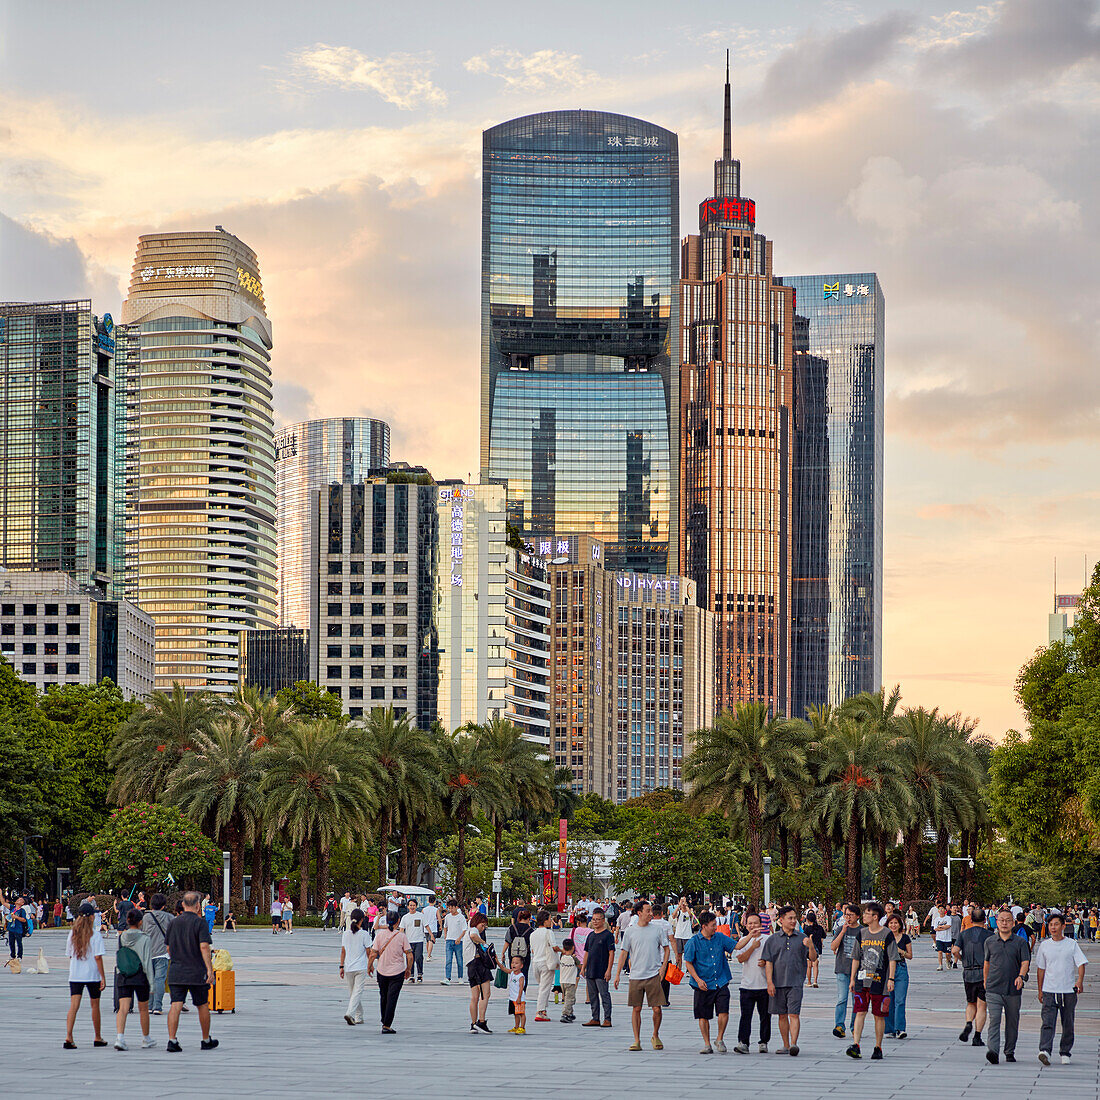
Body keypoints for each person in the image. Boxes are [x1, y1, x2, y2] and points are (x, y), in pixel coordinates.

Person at [165, 890, 219, 1052]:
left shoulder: (173, 923)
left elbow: (168, 948)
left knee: (176, 1004)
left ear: (182, 904)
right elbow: (204, 946)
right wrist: (209, 969)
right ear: (197, 906)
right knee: (202, 1004)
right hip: (196, 970)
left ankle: (172, 1040)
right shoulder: (200, 923)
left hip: (176, 970)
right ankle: (205, 1039)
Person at [614, 899, 670, 1051]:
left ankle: (655, 1034)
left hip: (653, 974)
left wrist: (663, 967)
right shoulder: (630, 931)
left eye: (651, 911)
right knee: (636, 1008)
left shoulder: (657, 929)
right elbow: (624, 953)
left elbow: (666, 949)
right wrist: (617, 974)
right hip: (635, 975)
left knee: (657, 1009)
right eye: (648, 911)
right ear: (639, 913)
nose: (651, 913)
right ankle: (637, 1040)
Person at [845, 901, 898, 1061]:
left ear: (875, 916)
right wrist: (852, 978)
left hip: (880, 982)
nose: (865, 916)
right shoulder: (862, 933)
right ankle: (856, 1044)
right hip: (862, 980)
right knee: (859, 1011)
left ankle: (878, 1046)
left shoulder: (886, 934)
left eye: (867, 913)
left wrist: (891, 979)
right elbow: (856, 957)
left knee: (878, 1015)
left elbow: (892, 959)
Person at [762, 904, 816, 1056]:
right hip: (777, 983)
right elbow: (769, 962)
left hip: (795, 982)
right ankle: (785, 1044)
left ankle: (794, 1044)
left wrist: (811, 946)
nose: (793, 921)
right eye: (790, 918)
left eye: (794, 918)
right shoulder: (773, 940)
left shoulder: (802, 938)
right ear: (781, 920)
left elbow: (812, 958)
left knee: (794, 1014)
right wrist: (769, 982)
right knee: (782, 1014)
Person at [1034, 911, 1087, 1065]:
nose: (1053, 927)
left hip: (1068, 990)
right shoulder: (1044, 945)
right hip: (1050, 990)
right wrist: (1040, 990)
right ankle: (1045, 1050)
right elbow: (1041, 969)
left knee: (1068, 1023)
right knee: (1047, 1022)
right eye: (1051, 925)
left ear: (1063, 926)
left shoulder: (1071, 944)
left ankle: (1065, 1052)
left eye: (1056, 924)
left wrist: (1080, 981)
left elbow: (1081, 963)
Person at [682, 910, 736, 1055]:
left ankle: (719, 1038)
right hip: (702, 984)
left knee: (723, 1011)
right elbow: (688, 963)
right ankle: (707, 1043)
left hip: (721, 980)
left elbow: (736, 946)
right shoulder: (693, 942)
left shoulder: (720, 937)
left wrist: (751, 936)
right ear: (704, 926)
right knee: (703, 1015)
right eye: (713, 925)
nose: (715, 928)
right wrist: (698, 980)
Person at [983, 907, 1031, 1065]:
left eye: (1007, 920)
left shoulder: (1020, 942)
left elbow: (1025, 962)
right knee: (994, 1019)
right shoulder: (990, 941)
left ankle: (1009, 1051)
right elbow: (987, 963)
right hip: (993, 988)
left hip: (1013, 989)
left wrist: (1021, 976)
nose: (1004, 923)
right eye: (1001, 920)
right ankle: (993, 1051)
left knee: (1012, 1021)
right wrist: (985, 981)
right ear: (996, 922)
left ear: (1013, 922)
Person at [64, 902, 108, 1049]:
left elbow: (70, 955)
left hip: (75, 974)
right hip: (92, 975)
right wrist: (103, 976)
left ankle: (69, 1036)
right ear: (91, 917)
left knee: (74, 1006)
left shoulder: (72, 934)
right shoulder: (95, 935)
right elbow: (98, 957)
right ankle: (97, 1036)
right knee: (95, 1005)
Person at [114, 908, 156, 1050]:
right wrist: (151, 983)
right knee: (143, 1008)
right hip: (140, 976)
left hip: (124, 974)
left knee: (123, 1008)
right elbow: (147, 961)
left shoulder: (122, 937)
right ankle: (146, 1038)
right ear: (140, 922)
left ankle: (120, 1038)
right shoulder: (145, 938)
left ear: (127, 921)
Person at [367, 914, 413, 1034]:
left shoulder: (380, 935)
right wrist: (408, 969)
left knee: (383, 996)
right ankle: (387, 1024)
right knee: (392, 998)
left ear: (387, 921)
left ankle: (384, 1021)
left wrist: (370, 966)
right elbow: (409, 955)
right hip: (397, 972)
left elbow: (373, 953)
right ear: (398, 921)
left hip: (381, 970)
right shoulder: (402, 936)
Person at [733, 910, 770, 1054]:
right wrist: (752, 947)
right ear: (746, 925)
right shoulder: (743, 941)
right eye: (750, 923)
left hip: (764, 985)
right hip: (747, 985)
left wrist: (766, 962)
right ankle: (743, 1042)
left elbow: (775, 959)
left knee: (765, 1016)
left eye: (755, 923)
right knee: (745, 1016)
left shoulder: (768, 939)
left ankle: (763, 1042)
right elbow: (741, 958)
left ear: (761, 924)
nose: (753, 925)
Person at [955, 907, 992, 1049]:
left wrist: (962, 959)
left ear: (970, 919)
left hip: (968, 972)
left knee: (971, 1003)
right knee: (982, 1006)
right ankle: (977, 1036)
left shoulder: (964, 934)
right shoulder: (989, 935)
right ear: (985, 920)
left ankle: (969, 1022)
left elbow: (954, 950)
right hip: (983, 972)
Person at [139, 892, 173, 1017]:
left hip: (148, 953)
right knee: (160, 980)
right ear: (163, 905)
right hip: (163, 953)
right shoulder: (169, 917)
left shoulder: (146, 917)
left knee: (150, 980)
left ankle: (149, 1005)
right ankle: (157, 1006)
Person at [831, 903, 861, 1038]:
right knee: (842, 999)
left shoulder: (862, 931)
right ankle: (839, 1026)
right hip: (842, 968)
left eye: (851, 915)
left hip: (858, 971)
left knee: (856, 1000)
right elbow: (833, 947)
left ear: (858, 916)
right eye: (846, 915)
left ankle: (855, 1026)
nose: (848, 918)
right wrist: (842, 931)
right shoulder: (840, 929)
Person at [581, 907, 615, 1027]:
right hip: (591, 969)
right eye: (593, 919)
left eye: (598, 919)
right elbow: (587, 952)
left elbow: (611, 953)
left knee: (604, 994)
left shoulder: (608, 935)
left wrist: (609, 970)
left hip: (602, 970)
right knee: (592, 995)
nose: (595, 922)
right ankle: (595, 1018)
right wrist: (583, 967)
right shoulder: (590, 935)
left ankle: (607, 1019)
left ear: (603, 920)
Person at [463, 912, 494, 1033]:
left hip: (470, 966)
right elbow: (474, 936)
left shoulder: (468, 930)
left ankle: (473, 1024)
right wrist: (484, 943)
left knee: (475, 997)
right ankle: (481, 1022)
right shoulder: (473, 929)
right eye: (483, 925)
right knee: (485, 994)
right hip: (478, 965)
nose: (483, 928)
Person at [339, 908, 370, 1025]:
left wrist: (341, 966)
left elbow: (343, 951)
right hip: (360, 967)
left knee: (353, 993)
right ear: (362, 920)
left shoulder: (346, 934)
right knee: (356, 993)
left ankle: (359, 1016)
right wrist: (370, 965)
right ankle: (350, 1014)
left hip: (348, 967)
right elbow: (369, 951)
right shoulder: (364, 934)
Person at [883, 913, 912, 1039]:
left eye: (896, 923)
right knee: (889, 1000)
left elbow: (910, 955)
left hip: (901, 969)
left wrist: (901, 952)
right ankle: (889, 1029)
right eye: (891, 923)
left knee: (900, 1000)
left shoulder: (905, 938)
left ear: (900, 924)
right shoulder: (884, 937)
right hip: (888, 970)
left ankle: (900, 1028)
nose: (893, 925)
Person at [529, 909, 561, 1022]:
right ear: (545, 920)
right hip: (546, 963)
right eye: (549, 919)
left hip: (536, 963)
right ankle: (540, 1011)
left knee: (542, 987)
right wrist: (563, 951)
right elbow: (554, 947)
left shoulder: (532, 934)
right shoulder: (549, 933)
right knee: (544, 988)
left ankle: (543, 1010)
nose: (551, 921)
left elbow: (533, 950)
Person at [399, 898, 428, 982]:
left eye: (414, 905)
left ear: (416, 906)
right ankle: (411, 975)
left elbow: (426, 926)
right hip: (408, 941)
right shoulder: (405, 917)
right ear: (408, 906)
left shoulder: (420, 915)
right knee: (410, 958)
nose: (412, 907)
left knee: (419, 957)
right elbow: (401, 929)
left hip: (419, 940)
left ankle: (420, 974)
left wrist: (431, 935)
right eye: (410, 905)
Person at [504, 908, 532, 987]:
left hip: (513, 956)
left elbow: (507, 941)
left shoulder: (512, 928)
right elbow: (532, 945)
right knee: (524, 974)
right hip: (525, 957)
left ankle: (513, 994)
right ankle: (522, 993)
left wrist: (503, 953)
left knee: (514, 973)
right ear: (528, 918)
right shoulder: (530, 930)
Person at [442, 898, 467, 986]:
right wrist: (445, 935)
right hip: (449, 940)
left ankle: (460, 977)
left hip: (458, 942)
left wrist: (459, 938)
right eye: (449, 908)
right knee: (448, 960)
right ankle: (447, 978)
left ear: (456, 907)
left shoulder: (461, 917)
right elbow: (445, 926)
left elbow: (464, 929)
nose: (450, 910)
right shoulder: (448, 917)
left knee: (459, 960)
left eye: (452, 908)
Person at [559, 937, 580, 1022]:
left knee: (569, 998)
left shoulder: (561, 957)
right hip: (570, 982)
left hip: (562, 981)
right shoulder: (573, 958)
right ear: (573, 948)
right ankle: (565, 1014)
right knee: (570, 999)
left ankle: (570, 1013)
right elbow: (580, 966)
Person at [802, 910, 825, 988]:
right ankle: (815, 981)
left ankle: (809, 982)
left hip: (809, 948)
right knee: (815, 965)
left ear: (808, 920)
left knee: (809, 966)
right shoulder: (820, 928)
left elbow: (804, 939)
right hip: (818, 947)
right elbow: (823, 936)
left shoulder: (807, 929)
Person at [506, 954, 527, 1034]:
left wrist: (519, 997)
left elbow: (521, 988)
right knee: (515, 1013)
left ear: (521, 965)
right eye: (512, 962)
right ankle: (516, 1026)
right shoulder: (512, 973)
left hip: (519, 998)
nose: (513, 964)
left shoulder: (521, 976)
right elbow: (505, 969)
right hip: (512, 997)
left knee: (521, 1013)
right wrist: (497, 961)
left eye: (516, 963)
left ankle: (522, 1027)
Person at [672, 897, 695, 967]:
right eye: (681, 901)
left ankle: (689, 969)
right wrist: (679, 906)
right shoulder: (679, 912)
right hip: (679, 935)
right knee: (679, 954)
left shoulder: (689, 911)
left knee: (688, 954)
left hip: (687, 935)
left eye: (684, 902)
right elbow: (673, 916)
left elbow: (690, 914)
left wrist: (686, 904)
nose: (683, 904)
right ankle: (679, 969)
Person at [933, 906, 954, 970]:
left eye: (942, 909)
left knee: (948, 953)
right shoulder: (936, 919)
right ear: (938, 911)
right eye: (940, 909)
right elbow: (936, 928)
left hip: (947, 938)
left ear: (945, 910)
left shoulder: (948, 918)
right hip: (939, 938)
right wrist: (943, 928)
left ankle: (948, 961)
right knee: (939, 951)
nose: (941, 910)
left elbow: (948, 926)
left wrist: (941, 927)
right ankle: (940, 965)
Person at [8, 895, 28, 961]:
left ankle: (19, 956)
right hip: (11, 928)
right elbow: (3, 903)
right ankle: (13, 955)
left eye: (20, 900)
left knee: (19, 943)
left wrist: (16, 917)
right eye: (18, 899)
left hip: (18, 929)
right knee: (11, 943)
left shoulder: (22, 910)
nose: (18, 900)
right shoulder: (12, 908)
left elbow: (24, 920)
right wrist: (0, 894)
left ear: (22, 903)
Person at [422, 896, 440, 961]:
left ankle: (428, 954)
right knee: (431, 941)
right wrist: (440, 926)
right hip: (433, 928)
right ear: (435, 901)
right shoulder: (436, 910)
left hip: (426, 928)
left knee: (428, 941)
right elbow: (439, 918)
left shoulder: (424, 909)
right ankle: (429, 955)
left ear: (428, 901)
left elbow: (422, 917)